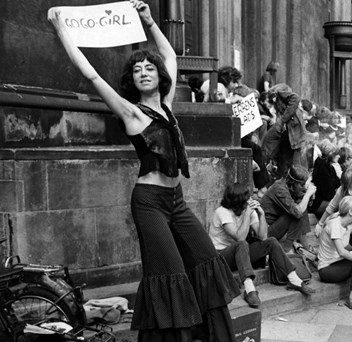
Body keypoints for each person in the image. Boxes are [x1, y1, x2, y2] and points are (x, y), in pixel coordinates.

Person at [48, 3, 240, 341]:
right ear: (132, 79)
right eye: (137, 70)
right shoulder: (130, 113)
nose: (144, 72)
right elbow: (91, 75)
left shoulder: (166, 102)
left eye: (149, 67)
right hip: (149, 202)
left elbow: (171, 55)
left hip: (176, 200)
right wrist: (62, 30)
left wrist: (150, 22)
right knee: (171, 275)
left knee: (206, 259)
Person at [209, 183, 315, 308]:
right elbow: (240, 238)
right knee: (242, 243)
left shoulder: (247, 210)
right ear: (239, 200)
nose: (251, 199)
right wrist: (247, 215)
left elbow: (263, 236)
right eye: (247, 197)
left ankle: (293, 279)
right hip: (221, 257)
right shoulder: (222, 212)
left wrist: (261, 214)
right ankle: (249, 289)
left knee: (271, 241)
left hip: (240, 254)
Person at [260, 166, 316, 251]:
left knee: (300, 204)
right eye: (301, 185)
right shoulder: (279, 189)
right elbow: (297, 212)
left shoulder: (290, 185)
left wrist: (309, 194)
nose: (303, 187)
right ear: (295, 183)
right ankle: (287, 248)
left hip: (276, 224)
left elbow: (304, 201)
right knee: (297, 211)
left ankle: (304, 243)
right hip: (266, 232)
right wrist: (308, 194)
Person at [261, 84, 307, 178]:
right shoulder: (284, 106)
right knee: (286, 159)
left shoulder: (280, 94)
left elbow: (295, 97)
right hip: (289, 134)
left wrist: (282, 120)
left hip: (291, 133)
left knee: (287, 159)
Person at [310, 139, 340, 217]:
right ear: (330, 154)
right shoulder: (322, 168)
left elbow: (338, 184)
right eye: (336, 154)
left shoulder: (330, 167)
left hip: (326, 200)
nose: (339, 156)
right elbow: (328, 194)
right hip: (319, 203)